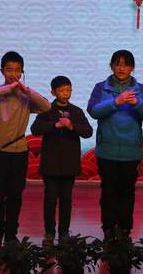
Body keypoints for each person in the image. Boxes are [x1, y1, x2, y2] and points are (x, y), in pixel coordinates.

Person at [0, 50, 51, 247]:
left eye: (17, 70)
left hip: (19, 152)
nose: (13, 74)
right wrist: (9, 88)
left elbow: (46, 107)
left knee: (15, 195)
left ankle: (11, 234)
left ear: (22, 72)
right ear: (2, 71)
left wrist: (26, 91)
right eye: (9, 70)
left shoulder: (26, 97)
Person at [87, 49, 143, 239]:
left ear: (132, 68)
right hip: (107, 149)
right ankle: (108, 227)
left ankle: (125, 228)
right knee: (108, 191)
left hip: (130, 150)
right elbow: (93, 111)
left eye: (125, 64)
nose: (121, 68)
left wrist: (137, 103)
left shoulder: (141, 89)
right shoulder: (100, 87)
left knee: (127, 192)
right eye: (117, 64)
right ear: (111, 66)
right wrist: (115, 101)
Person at [30, 75, 93, 246]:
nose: (66, 93)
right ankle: (49, 232)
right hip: (50, 163)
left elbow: (88, 131)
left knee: (66, 199)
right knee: (50, 199)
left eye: (68, 90)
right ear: (53, 92)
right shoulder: (46, 110)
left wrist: (71, 126)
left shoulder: (76, 111)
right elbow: (35, 129)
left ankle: (64, 232)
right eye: (62, 90)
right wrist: (55, 125)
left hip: (69, 164)